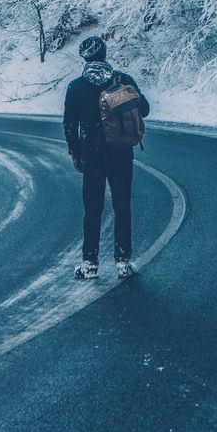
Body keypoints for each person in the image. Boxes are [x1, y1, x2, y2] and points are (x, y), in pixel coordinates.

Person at [63, 36, 150, 281]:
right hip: (121, 152)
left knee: (93, 209)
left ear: (85, 57)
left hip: (92, 155)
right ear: (104, 53)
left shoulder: (76, 86)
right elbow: (144, 109)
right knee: (122, 206)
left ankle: (90, 264)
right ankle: (123, 261)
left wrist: (76, 153)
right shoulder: (122, 80)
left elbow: (69, 125)